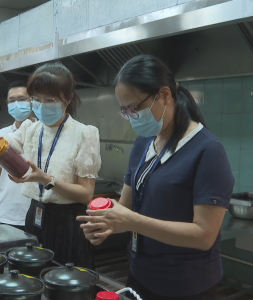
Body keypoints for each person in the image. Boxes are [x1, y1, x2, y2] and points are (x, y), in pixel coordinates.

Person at [77, 55, 234, 299]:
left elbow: (204, 236)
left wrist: (131, 221)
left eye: (135, 108)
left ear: (164, 95)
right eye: (124, 110)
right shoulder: (143, 143)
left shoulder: (207, 151)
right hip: (140, 274)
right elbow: (126, 207)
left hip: (186, 284)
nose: (130, 116)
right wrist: (105, 224)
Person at [0, 62, 101, 269]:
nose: (42, 106)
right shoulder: (30, 129)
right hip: (34, 216)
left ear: (68, 98)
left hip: (68, 222)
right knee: (31, 278)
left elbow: (86, 194)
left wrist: (45, 179)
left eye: (50, 100)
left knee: (63, 284)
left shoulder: (84, 133)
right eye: (36, 99)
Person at [0, 81, 33, 230]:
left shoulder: (42, 132)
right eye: (12, 100)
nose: (16, 104)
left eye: (22, 99)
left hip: (34, 214)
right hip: (5, 213)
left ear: (33, 101)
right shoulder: (1, 135)